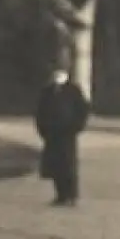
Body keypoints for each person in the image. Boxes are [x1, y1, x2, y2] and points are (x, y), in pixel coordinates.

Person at [35, 67, 90, 207]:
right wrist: (43, 129)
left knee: (68, 165)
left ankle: (71, 194)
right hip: (52, 133)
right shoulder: (47, 91)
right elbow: (40, 111)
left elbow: (82, 110)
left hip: (67, 133)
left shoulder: (73, 90)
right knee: (55, 166)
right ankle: (60, 195)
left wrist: (76, 127)